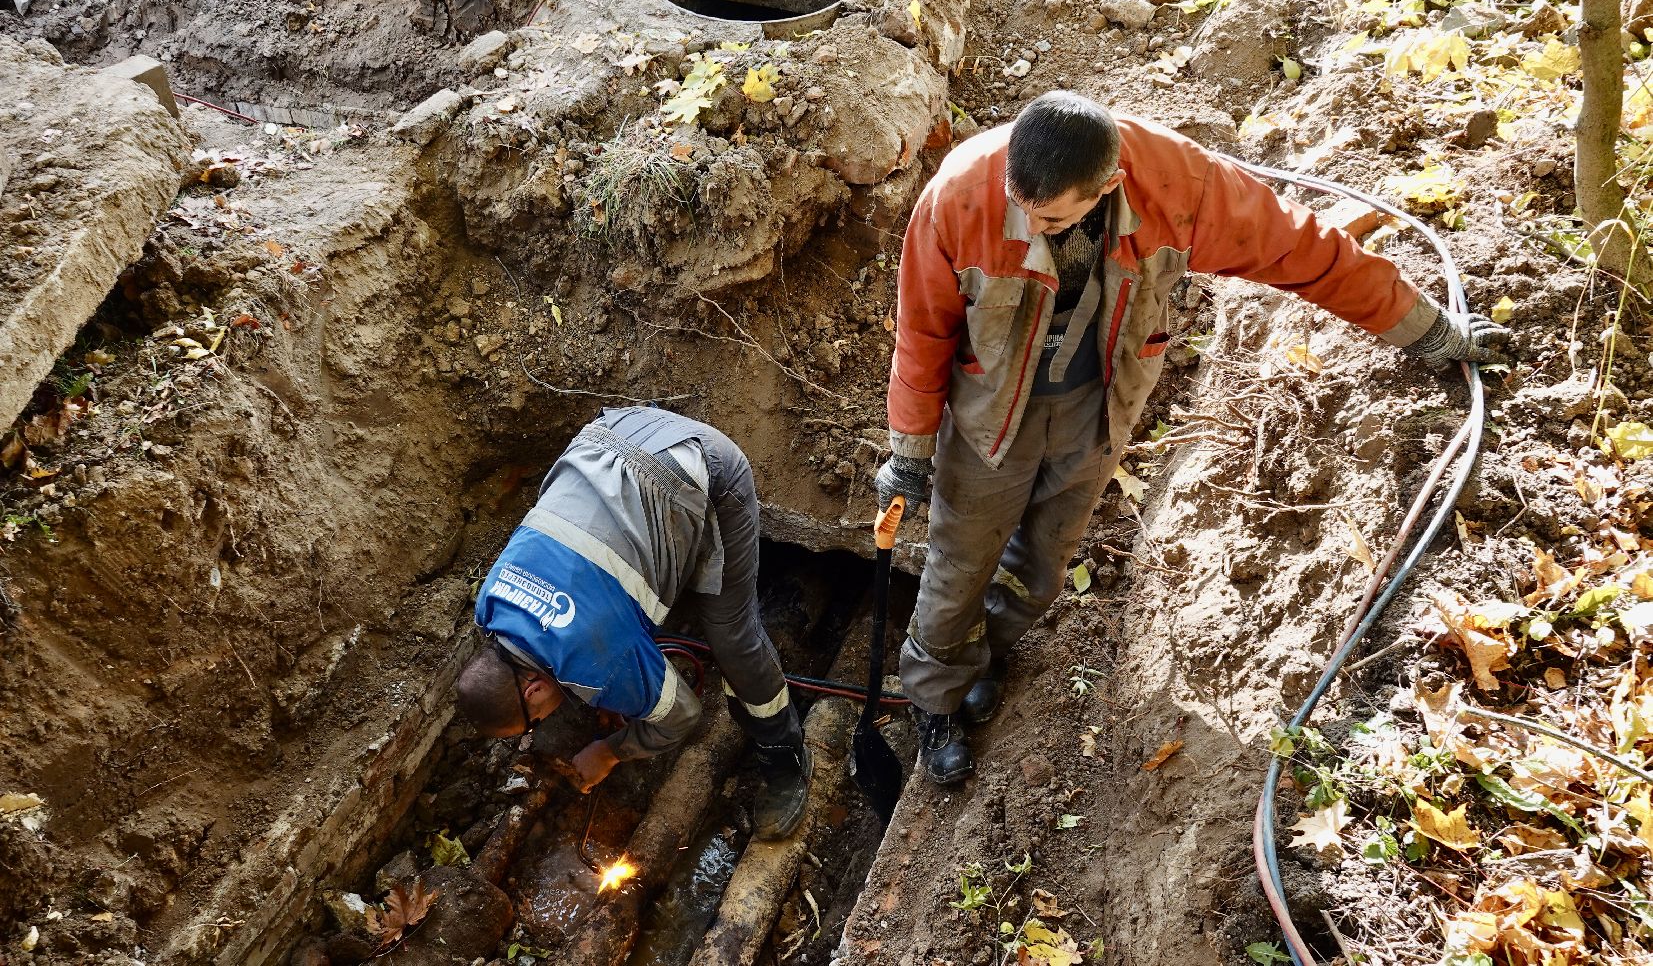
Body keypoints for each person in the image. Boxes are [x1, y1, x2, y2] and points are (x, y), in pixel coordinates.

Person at [876, 91, 1510, 785]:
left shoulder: (1181, 187)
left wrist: (1428, 331)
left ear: (1108, 186)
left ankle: (986, 655)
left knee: (1044, 561)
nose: (1029, 225)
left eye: (1051, 218)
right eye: (1019, 206)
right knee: (958, 563)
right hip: (987, 416)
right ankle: (935, 698)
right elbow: (922, 329)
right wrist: (909, 449)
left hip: (1097, 407)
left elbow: (1307, 251)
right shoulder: (960, 197)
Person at [455, 407, 811, 840]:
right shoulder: (489, 603)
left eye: (535, 721)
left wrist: (609, 753)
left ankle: (786, 757)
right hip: (617, 431)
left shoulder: (594, 658)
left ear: (532, 690)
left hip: (705, 467)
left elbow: (683, 715)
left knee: (732, 638)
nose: (542, 723)